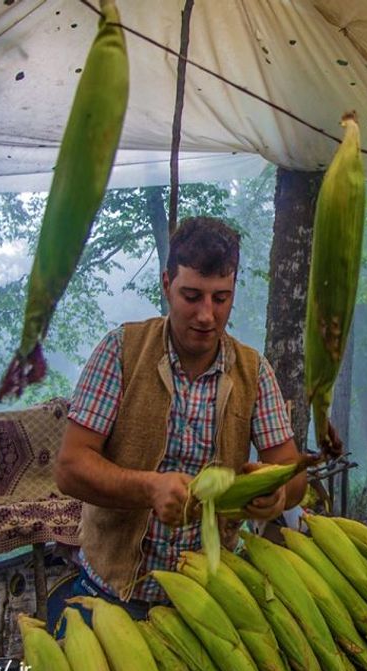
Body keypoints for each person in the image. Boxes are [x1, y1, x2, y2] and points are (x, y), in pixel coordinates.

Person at [54, 216, 305, 617]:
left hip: (211, 592)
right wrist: (148, 488)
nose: (206, 315)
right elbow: (70, 468)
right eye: (192, 296)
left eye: (220, 298)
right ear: (166, 284)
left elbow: (292, 473)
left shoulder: (253, 370)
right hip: (115, 592)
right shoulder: (121, 352)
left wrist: (277, 494)